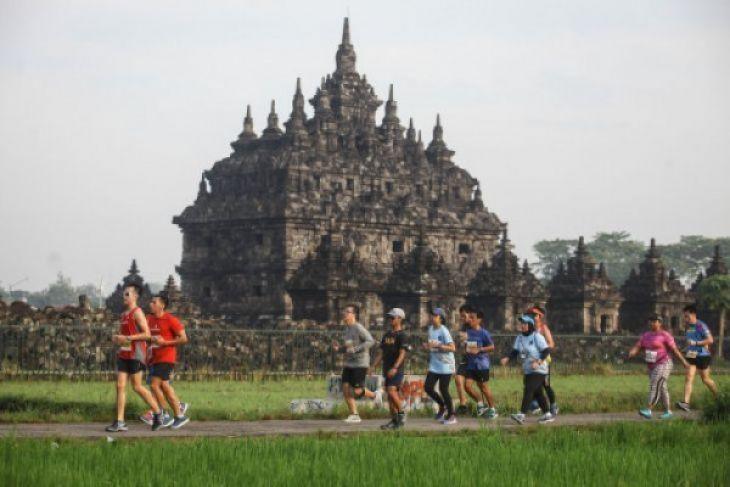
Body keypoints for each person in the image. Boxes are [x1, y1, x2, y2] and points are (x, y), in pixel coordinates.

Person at [106, 283, 162, 432]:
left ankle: (158, 412)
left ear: (135, 296)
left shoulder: (138, 312)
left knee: (137, 386)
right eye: (124, 294)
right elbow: (123, 335)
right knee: (120, 386)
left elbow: (147, 334)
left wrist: (128, 338)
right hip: (124, 353)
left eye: (127, 294)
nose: (124, 296)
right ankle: (119, 421)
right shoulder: (124, 314)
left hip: (136, 353)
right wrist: (118, 338)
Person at [628, 314, 689, 420]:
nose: (651, 323)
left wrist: (684, 361)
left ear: (660, 323)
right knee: (662, 388)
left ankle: (648, 409)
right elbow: (638, 346)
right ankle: (668, 411)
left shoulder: (665, 335)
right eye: (650, 321)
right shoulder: (646, 335)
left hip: (664, 363)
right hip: (652, 365)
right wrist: (632, 352)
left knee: (654, 385)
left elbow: (675, 350)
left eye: (654, 321)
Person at [146, 293, 190, 430]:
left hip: (166, 357)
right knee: (165, 387)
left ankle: (164, 414)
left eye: (154, 302)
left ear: (162, 305)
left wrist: (165, 343)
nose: (151, 304)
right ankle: (179, 415)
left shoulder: (171, 320)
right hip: (154, 358)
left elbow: (184, 338)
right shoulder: (148, 319)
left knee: (154, 386)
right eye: (151, 302)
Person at [500, 314, 554, 425]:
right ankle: (547, 414)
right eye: (521, 323)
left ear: (530, 325)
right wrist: (507, 358)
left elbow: (546, 350)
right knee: (538, 392)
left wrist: (538, 362)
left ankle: (521, 414)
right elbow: (515, 351)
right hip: (528, 369)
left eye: (525, 323)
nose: (522, 325)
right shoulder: (519, 338)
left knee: (529, 389)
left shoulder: (536, 336)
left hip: (539, 369)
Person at [333, 304, 382, 423]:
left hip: (360, 363)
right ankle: (354, 414)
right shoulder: (347, 329)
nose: (344, 314)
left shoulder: (358, 328)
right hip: (349, 364)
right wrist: (339, 349)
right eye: (344, 311)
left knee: (357, 391)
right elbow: (349, 347)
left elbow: (371, 341)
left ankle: (375, 395)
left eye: (347, 312)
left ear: (353, 315)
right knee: (345, 389)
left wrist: (357, 348)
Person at [372, 308, 410, 430]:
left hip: (396, 369)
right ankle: (394, 421)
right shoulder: (387, 335)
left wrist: (395, 367)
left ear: (400, 319)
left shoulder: (402, 335)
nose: (390, 320)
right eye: (389, 317)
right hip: (386, 369)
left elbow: (402, 353)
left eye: (393, 318)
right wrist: (373, 366)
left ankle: (402, 414)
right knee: (389, 396)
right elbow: (381, 352)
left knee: (392, 391)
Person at [676, 304, 719, 412]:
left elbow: (710, 340)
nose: (685, 319)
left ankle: (718, 396)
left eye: (687, 316)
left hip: (703, 355)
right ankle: (686, 403)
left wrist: (696, 343)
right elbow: (690, 342)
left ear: (693, 314)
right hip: (691, 355)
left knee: (705, 379)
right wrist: (683, 349)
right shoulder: (688, 327)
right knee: (689, 377)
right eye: (684, 316)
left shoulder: (700, 325)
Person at [423, 308, 457, 425]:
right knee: (427, 387)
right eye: (432, 315)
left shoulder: (444, 331)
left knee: (443, 389)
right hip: (434, 364)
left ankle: (452, 414)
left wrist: (441, 346)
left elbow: (453, 348)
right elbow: (432, 344)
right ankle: (442, 406)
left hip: (446, 365)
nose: (432, 317)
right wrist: (427, 346)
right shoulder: (430, 329)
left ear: (441, 318)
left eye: (435, 315)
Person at [463, 310, 498, 419]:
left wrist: (480, 349)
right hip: (471, 364)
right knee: (467, 386)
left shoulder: (484, 333)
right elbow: (467, 346)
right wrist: (465, 346)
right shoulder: (468, 332)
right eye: (469, 317)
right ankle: (480, 403)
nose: (470, 320)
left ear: (479, 320)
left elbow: (492, 347)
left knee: (483, 387)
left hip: (482, 364)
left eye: (472, 318)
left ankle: (493, 409)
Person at [528, 306, 558, 416]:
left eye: (534, 315)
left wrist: (542, 349)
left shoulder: (543, 328)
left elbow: (551, 343)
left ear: (540, 316)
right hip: (532, 361)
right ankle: (535, 404)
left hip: (543, 360)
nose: (532, 317)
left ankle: (553, 405)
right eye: (530, 315)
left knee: (546, 385)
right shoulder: (529, 329)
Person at [454, 304, 473, 415]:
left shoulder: (476, 326)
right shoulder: (464, 327)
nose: (461, 318)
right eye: (460, 316)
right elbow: (463, 346)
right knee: (458, 378)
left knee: (469, 387)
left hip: (477, 360)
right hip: (466, 358)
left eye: (463, 315)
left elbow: (478, 344)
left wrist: (468, 338)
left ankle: (483, 405)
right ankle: (463, 405)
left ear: (470, 314)